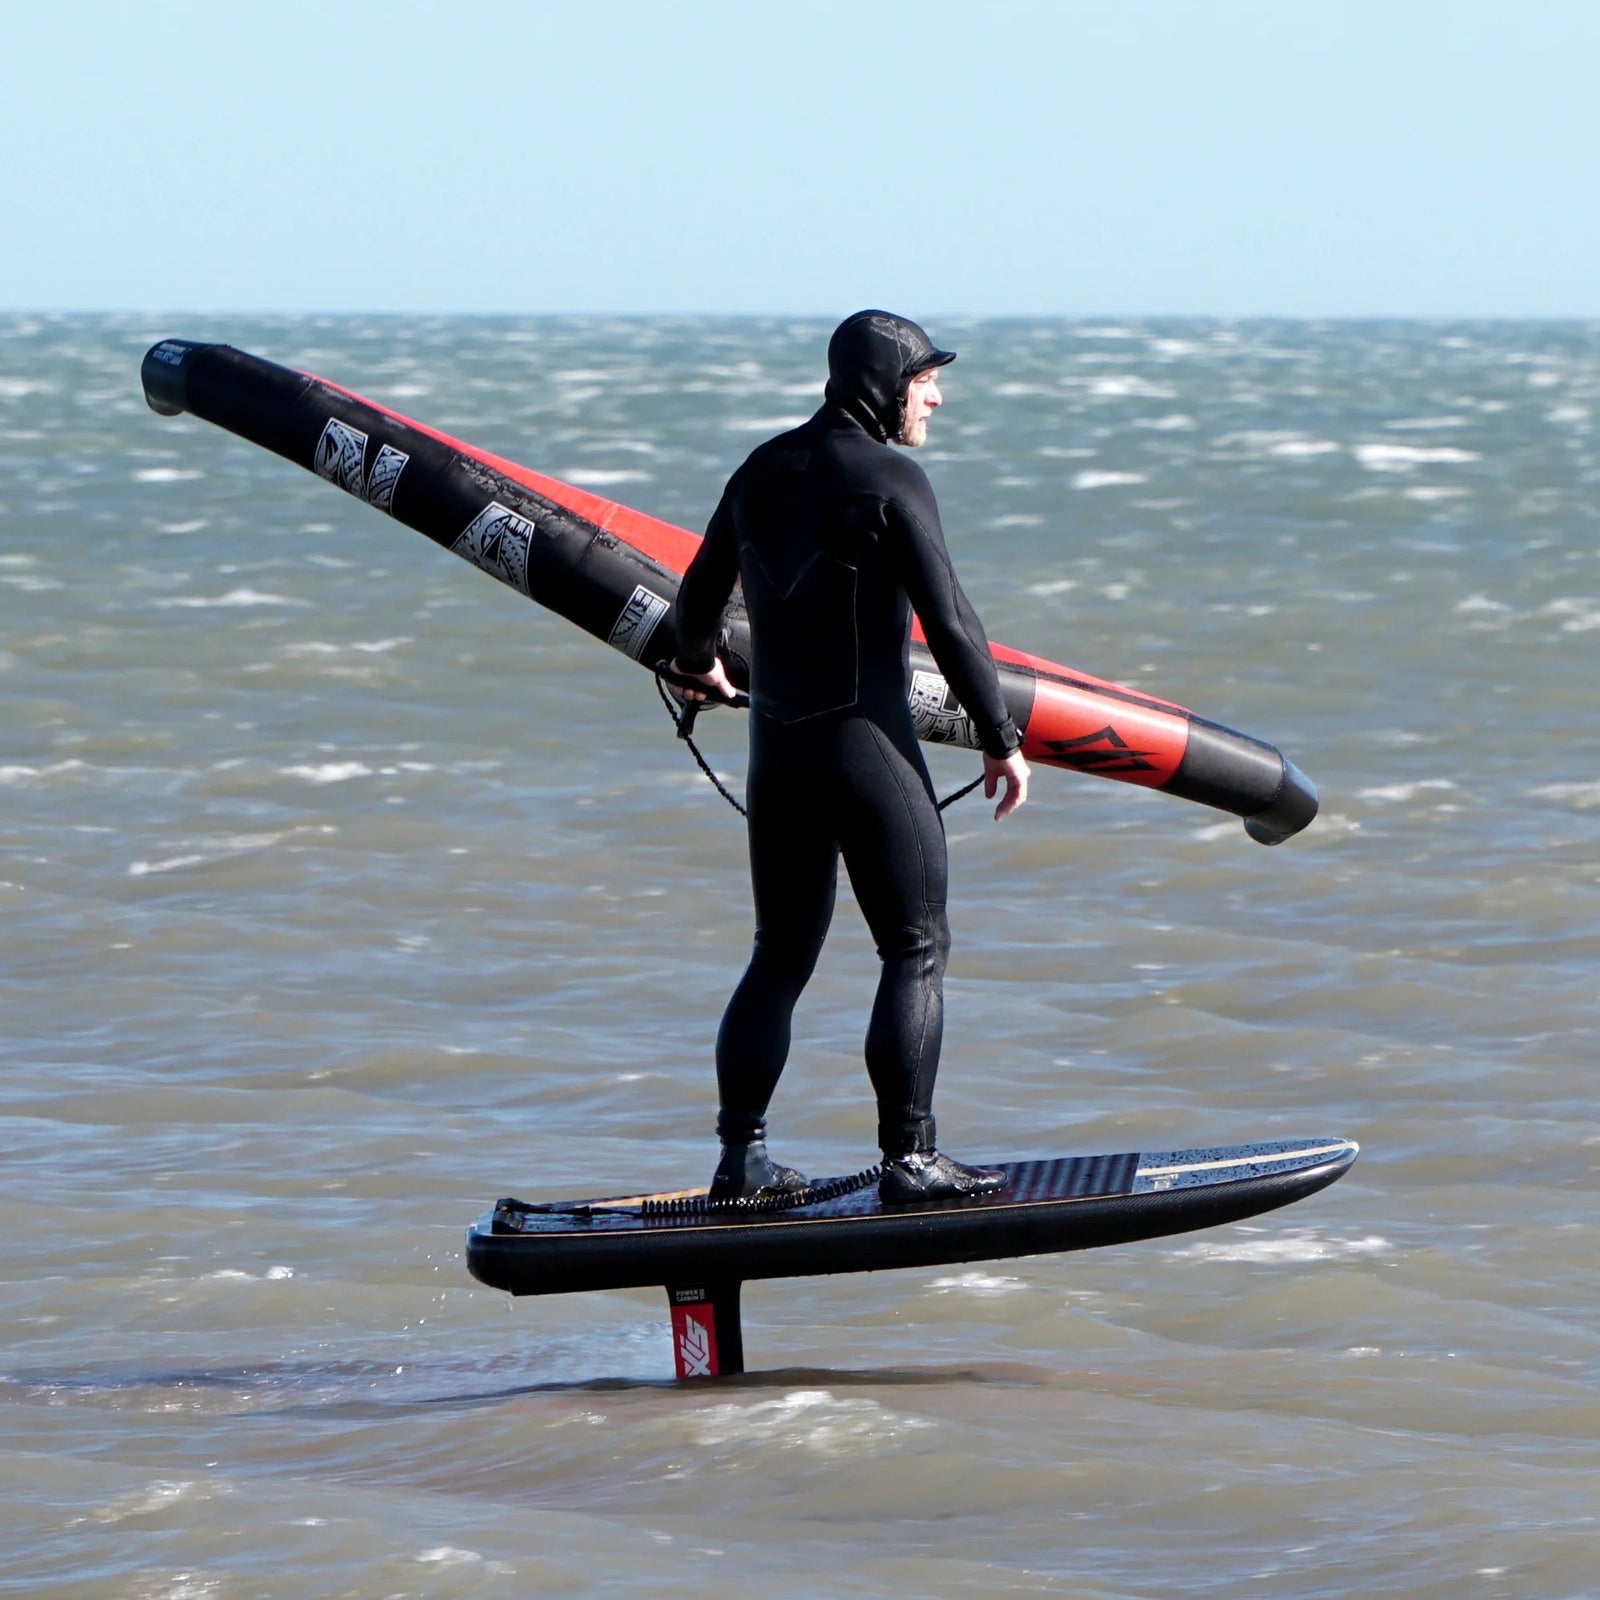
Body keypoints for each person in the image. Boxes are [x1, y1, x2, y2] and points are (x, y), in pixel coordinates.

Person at [671, 310, 1030, 1205]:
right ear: (885, 384)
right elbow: (951, 623)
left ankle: (740, 1162)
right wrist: (1001, 739)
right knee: (915, 946)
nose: (937, 396)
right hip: (867, 748)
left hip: (779, 755)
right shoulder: (890, 477)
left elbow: (697, 597)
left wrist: (698, 665)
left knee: (779, 954)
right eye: (926, 380)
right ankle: (911, 1159)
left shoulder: (759, 471)